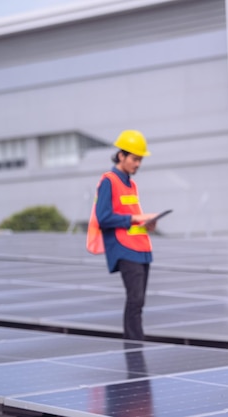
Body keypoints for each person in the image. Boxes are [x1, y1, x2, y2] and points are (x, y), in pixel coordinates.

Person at [87, 130, 159, 341]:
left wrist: (146, 224)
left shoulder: (131, 183)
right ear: (121, 156)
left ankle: (135, 342)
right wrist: (134, 220)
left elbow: (130, 215)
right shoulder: (109, 180)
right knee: (135, 300)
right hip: (123, 248)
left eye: (140, 160)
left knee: (139, 301)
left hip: (140, 247)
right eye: (135, 159)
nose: (138, 164)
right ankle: (134, 344)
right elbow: (103, 218)